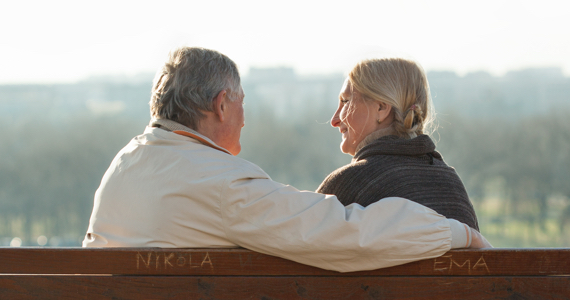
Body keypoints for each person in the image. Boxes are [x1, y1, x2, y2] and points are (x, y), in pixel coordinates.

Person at [83, 47, 490, 273]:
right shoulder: (221, 185)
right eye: (242, 102)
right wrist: (459, 234)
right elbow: (344, 233)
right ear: (222, 105)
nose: (245, 118)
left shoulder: (123, 166)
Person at [317, 58, 479, 230]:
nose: (334, 120)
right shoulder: (451, 184)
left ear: (381, 108)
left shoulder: (350, 182)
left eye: (345, 101)